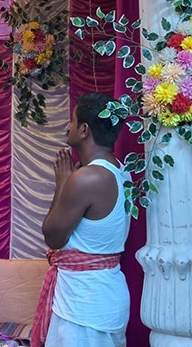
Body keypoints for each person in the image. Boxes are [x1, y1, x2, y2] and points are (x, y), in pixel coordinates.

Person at [32, 92, 132, 347]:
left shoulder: (86, 178)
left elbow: (52, 236)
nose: (70, 126)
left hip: (83, 304)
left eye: (74, 121)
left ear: (85, 130)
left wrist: (63, 183)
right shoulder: (122, 171)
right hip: (107, 295)